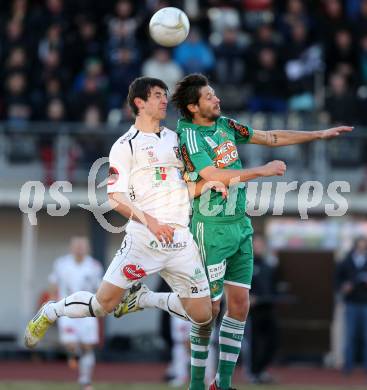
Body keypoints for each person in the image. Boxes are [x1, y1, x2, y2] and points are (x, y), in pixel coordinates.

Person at [168, 73, 352, 390]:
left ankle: (222, 384)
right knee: (207, 311)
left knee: (240, 305)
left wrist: (318, 135)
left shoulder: (225, 125)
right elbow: (211, 174)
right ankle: (197, 384)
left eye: (215, 94)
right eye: (210, 96)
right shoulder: (190, 135)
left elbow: (270, 137)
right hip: (209, 227)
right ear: (193, 107)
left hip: (240, 225)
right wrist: (261, 170)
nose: (217, 99)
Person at [24, 77, 214, 354]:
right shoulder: (125, 146)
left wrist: (215, 183)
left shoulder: (175, 139)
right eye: (158, 95)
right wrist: (152, 222)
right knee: (103, 305)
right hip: (143, 240)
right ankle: (51, 310)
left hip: (180, 239)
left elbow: (186, 185)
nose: (165, 101)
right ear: (139, 103)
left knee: (203, 315)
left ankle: (145, 299)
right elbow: (115, 199)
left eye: (165, 95)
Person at [48, 236, 103, 390]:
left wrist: (101, 307)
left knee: (87, 346)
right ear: (71, 248)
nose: (79, 248)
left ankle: (85, 380)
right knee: (70, 344)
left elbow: (99, 289)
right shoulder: (61, 264)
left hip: (87, 310)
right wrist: (52, 305)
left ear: (87, 248)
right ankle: (73, 353)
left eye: (82, 246)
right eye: (76, 246)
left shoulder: (94, 266)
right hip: (66, 310)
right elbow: (53, 284)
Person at [247, 235, 277, 384]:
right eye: (256, 244)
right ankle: (253, 373)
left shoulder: (268, 265)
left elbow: (274, 286)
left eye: (261, 244)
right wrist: (249, 297)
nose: (259, 247)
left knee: (273, 341)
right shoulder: (246, 264)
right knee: (254, 343)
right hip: (253, 311)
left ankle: (262, 369)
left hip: (268, 308)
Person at [337, 236, 367, 374]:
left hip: (365, 303)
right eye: (360, 245)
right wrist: (344, 287)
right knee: (350, 335)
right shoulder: (346, 262)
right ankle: (348, 366)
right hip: (351, 303)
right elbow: (337, 281)